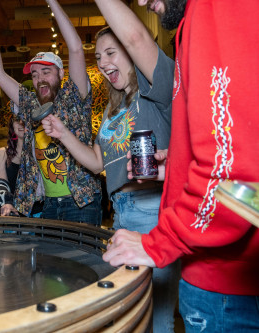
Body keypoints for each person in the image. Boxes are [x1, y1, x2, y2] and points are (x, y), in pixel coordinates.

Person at [104, 1, 259, 332]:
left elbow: (233, 175)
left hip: (222, 283)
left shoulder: (214, 8)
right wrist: (174, 168)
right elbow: (245, 156)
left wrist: (157, 243)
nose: (143, 1)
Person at [41, 1, 178, 330]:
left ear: (130, 54)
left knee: (157, 319)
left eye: (111, 52)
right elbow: (98, 161)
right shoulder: (111, 113)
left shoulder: (156, 91)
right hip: (121, 214)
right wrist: (62, 134)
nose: (102, 63)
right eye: (98, 57)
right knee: (130, 318)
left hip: (154, 210)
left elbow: (137, 37)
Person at [0, 0, 102, 225]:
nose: (39, 78)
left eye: (46, 71)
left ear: (60, 73)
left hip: (81, 201)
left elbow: (75, 49)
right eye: (34, 74)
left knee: (80, 260)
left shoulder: (75, 96)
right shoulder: (30, 104)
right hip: (49, 205)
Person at [0, 112, 43, 217]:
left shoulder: (43, 153)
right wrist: (6, 203)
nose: (20, 123)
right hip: (14, 214)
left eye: (24, 119)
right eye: (16, 119)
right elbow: (1, 185)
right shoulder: (2, 153)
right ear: (12, 124)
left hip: (40, 214)